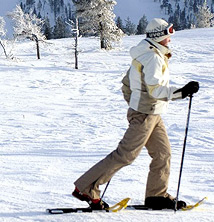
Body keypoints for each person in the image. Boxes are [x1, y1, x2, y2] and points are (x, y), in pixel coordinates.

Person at [72, 18, 200, 210]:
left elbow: (127, 83)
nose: (171, 38)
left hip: (152, 114)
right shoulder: (152, 58)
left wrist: (135, 103)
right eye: (168, 33)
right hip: (144, 115)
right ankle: (86, 187)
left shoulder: (146, 54)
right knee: (126, 155)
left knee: (163, 154)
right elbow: (155, 90)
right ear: (159, 36)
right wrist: (182, 92)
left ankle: (156, 196)